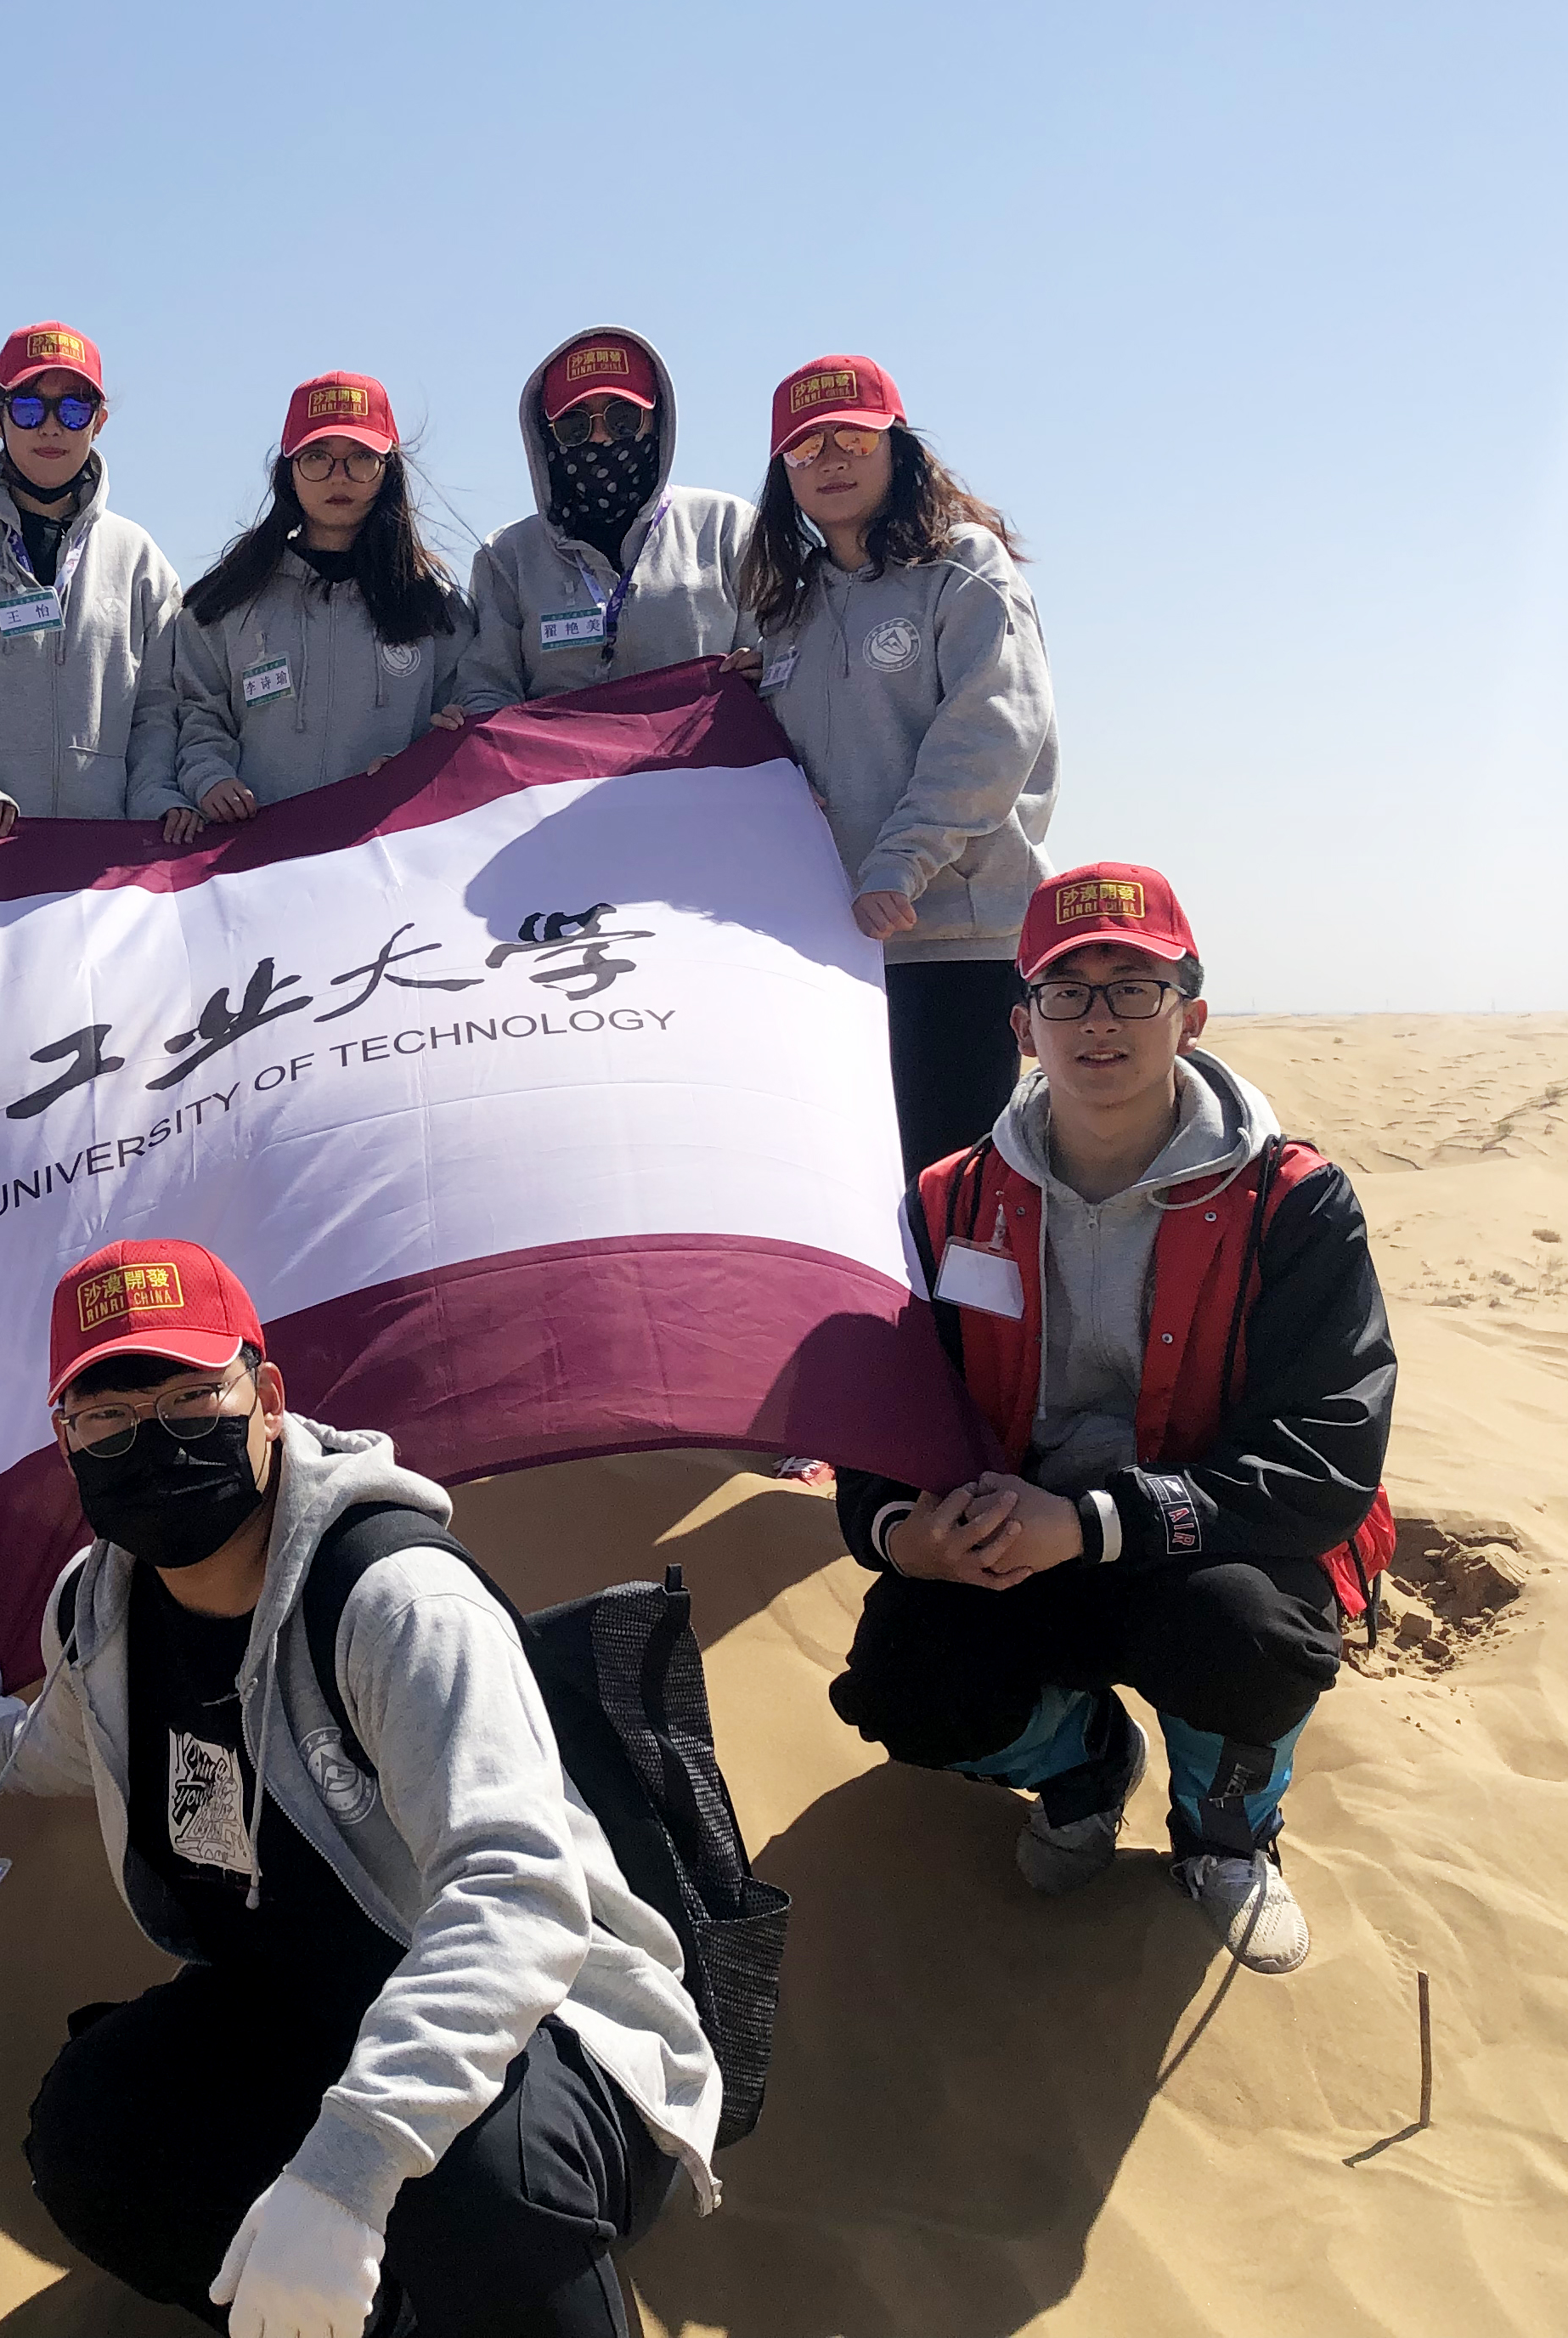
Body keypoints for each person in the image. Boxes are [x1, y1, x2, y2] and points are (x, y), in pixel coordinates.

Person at [0, 1240, 714, 2336]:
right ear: (67, 1440)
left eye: (190, 1399)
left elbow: (515, 1896)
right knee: (95, 2129)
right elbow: (96, 1735)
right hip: (302, 2004)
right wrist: (1, 1746)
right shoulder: (97, 1607)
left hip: (540, 2022)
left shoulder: (395, 1601)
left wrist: (350, 2167)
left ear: (267, 1400)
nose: (152, 1444)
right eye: (108, 1418)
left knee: (478, 2189)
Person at [826, 865, 1396, 1976]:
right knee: (905, 1678)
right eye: (1066, 990)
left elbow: (1330, 1453)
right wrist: (901, 1531)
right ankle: (1084, 1764)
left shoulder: (1292, 1201)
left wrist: (1092, 1524)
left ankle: (1224, 1832)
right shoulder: (948, 1202)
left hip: (1203, 1547)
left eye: (1134, 987)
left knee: (1250, 1640)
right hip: (1020, 1543)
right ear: (1023, 1027)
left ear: (1191, 1014)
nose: (1100, 1019)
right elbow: (882, 1412)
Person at [740, 353, 1057, 1177]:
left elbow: (992, 732)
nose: (831, 460)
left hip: (954, 944)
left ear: (899, 448)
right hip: (832, 953)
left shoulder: (963, 566)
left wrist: (900, 863)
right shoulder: (787, 611)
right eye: (806, 446)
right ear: (783, 472)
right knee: (850, 1194)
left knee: (944, 1193)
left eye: (853, 437)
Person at [0, 321, 181, 835]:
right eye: (28, 408)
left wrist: (154, 797)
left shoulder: (137, 556)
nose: (51, 428)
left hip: (100, 852)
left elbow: (159, 708)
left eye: (73, 410)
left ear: (99, 422)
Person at [159, 373, 472, 845]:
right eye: (317, 457)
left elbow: (465, 717)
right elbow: (199, 715)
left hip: (393, 851)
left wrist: (416, 767)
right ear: (288, 471)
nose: (339, 476)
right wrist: (210, 777)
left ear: (388, 470)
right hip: (257, 856)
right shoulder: (226, 603)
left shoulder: (434, 605)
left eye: (361, 457)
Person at [461, 326, 755, 717]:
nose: (600, 439)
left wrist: (758, 669)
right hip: (561, 760)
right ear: (547, 437)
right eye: (575, 425)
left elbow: (778, 661)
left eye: (622, 418)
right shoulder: (506, 557)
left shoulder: (727, 527)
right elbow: (486, 693)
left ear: (657, 420)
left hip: (706, 757)